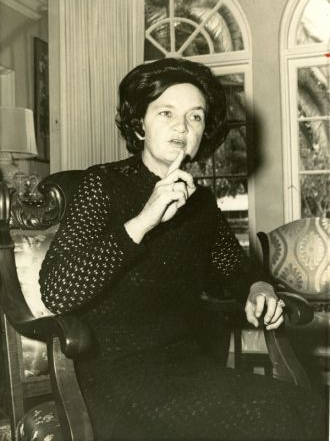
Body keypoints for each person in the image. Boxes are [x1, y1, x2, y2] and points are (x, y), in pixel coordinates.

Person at [39, 58, 325, 441]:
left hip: (185, 364)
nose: (182, 126)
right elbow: (58, 291)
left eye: (195, 117)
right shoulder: (101, 185)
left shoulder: (200, 203)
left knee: (307, 406)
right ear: (139, 124)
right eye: (166, 112)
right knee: (268, 417)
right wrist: (144, 220)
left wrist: (258, 288)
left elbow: (234, 269)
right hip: (112, 374)